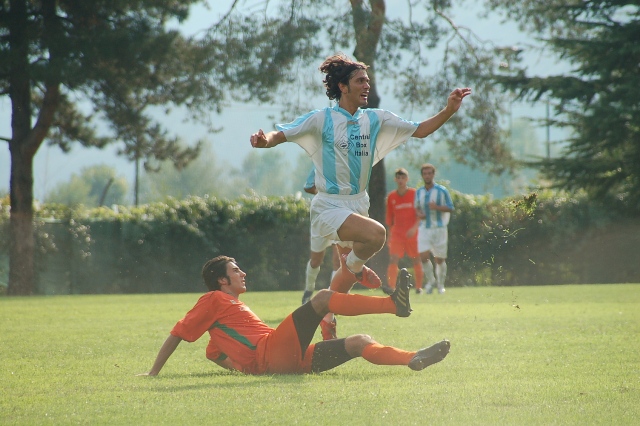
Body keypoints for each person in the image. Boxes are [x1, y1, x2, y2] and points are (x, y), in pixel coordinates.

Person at [250, 53, 471, 296]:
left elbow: (420, 130)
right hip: (329, 205)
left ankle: (327, 310)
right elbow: (280, 134)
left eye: (367, 81)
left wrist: (449, 110)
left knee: (342, 283)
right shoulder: (321, 119)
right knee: (377, 235)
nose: (367, 86)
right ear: (343, 87)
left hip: (358, 203)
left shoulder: (376, 118)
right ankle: (355, 267)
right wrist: (264, 141)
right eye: (360, 81)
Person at [137, 256, 450, 376]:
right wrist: (153, 374)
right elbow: (177, 333)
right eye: (235, 270)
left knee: (358, 341)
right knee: (322, 299)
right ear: (221, 280)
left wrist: (243, 368)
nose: (243, 273)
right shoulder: (213, 299)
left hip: (288, 360)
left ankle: (412, 358)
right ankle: (393, 305)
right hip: (273, 353)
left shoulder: (224, 315)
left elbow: (214, 353)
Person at [301, 169, 341, 306]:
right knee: (316, 260)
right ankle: (308, 290)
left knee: (338, 261)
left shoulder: (345, 164)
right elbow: (308, 186)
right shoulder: (319, 164)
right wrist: (325, 195)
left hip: (339, 215)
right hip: (321, 216)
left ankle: (333, 298)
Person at [415, 164, 454, 294]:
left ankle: (440, 285)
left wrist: (437, 207)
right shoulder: (419, 192)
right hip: (424, 228)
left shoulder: (442, 191)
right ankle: (431, 281)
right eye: (425, 173)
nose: (427, 176)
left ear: (433, 174)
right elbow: (416, 208)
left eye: (429, 173)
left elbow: (450, 208)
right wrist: (420, 214)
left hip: (439, 228)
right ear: (422, 175)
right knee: (423, 256)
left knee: (439, 259)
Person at [385, 168, 423, 294]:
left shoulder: (414, 194)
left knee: (416, 259)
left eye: (403, 178)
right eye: (398, 178)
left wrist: (414, 228)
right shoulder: (391, 197)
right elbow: (389, 218)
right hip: (397, 233)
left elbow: (420, 214)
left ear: (407, 179)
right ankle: (391, 287)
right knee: (393, 259)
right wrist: (389, 235)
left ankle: (419, 287)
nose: (401, 180)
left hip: (412, 233)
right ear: (395, 179)